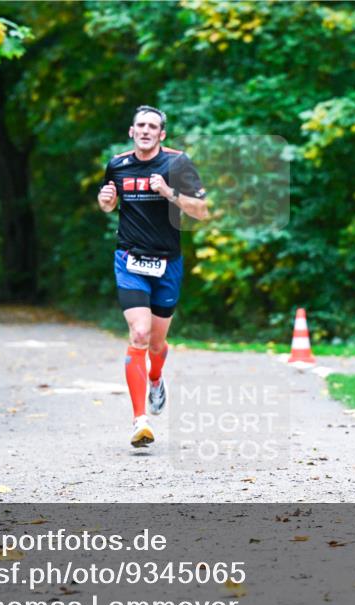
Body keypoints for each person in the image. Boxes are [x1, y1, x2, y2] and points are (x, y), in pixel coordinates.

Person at [97, 105, 209, 447]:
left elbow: (202, 212)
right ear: (132, 131)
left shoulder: (177, 163)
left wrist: (168, 192)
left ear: (161, 135)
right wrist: (106, 202)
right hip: (130, 259)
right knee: (140, 333)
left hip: (167, 263)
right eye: (140, 125)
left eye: (153, 127)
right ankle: (139, 420)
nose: (146, 130)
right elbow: (110, 202)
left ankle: (156, 379)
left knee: (158, 344)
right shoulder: (117, 164)